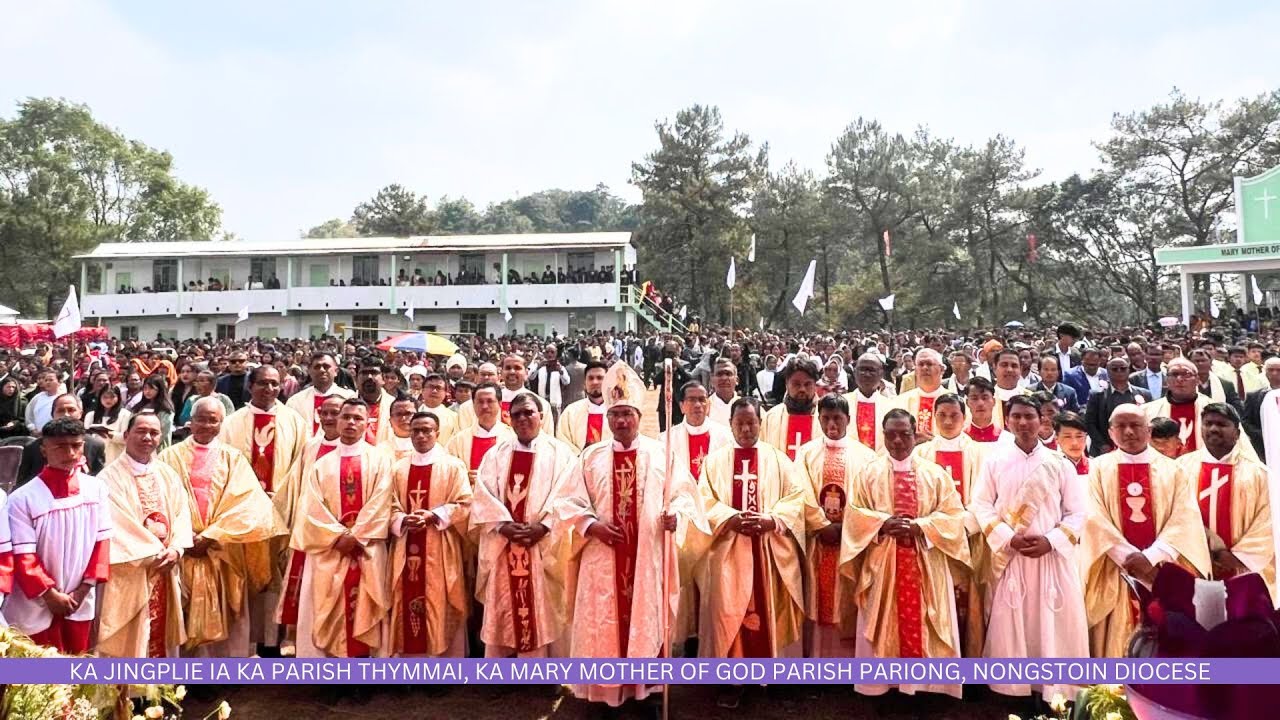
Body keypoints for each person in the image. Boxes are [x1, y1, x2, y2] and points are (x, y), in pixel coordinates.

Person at [556, 362, 704, 709]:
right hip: (602, 558)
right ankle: (604, 693)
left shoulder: (660, 455)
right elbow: (568, 501)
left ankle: (643, 692)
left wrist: (675, 516)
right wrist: (591, 526)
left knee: (645, 620)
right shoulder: (590, 458)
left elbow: (685, 494)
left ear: (638, 416)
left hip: (647, 556)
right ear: (607, 419)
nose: (621, 421)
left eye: (627, 414)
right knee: (603, 623)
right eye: (615, 415)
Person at [840, 408, 967, 697]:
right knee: (883, 617)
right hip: (883, 563)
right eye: (891, 435)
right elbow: (854, 514)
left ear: (915, 435)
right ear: (883, 435)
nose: (898, 441)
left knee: (925, 621)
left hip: (925, 562)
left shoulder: (934, 474)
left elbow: (954, 515)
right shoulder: (868, 474)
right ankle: (881, 684)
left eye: (904, 434)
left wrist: (921, 526)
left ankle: (926, 686)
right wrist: (883, 522)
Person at [970, 395, 1088, 699]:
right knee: (1014, 621)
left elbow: (1077, 512)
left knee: (1052, 624)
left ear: (1042, 420)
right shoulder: (995, 461)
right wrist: (1008, 537)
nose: (1023, 423)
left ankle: (1054, 689)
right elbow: (981, 505)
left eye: (1029, 416)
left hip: (1051, 558)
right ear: (1008, 421)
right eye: (1017, 417)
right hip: (1013, 556)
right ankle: (1014, 687)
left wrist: (1051, 540)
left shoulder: (1058, 463)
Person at [697, 397, 806, 710]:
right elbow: (703, 500)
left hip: (769, 551)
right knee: (728, 612)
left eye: (751, 422)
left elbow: (797, 499)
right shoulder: (715, 461)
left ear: (761, 423)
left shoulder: (779, 460)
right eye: (740, 423)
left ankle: (776, 677)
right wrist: (730, 517)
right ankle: (732, 681)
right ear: (730, 424)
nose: (746, 429)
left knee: (775, 612)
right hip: (731, 551)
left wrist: (772, 519)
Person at [1079, 403, 1209, 658]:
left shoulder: (1174, 469)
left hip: (1163, 566)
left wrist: (1151, 557)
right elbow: (1093, 517)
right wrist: (1129, 557)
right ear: (1110, 432)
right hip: (1115, 568)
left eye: (1135, 425)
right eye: (1121, 426)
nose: (1128, 432)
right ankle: (1112, 694)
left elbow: (1185, 518)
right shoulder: (1097, 468)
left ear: (1148, 431)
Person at [158, 397, 279, 657]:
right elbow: (160, 500)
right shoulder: (169, 457)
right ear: (190, 421)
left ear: (220, 424)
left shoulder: (233, 459)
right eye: (200, 418)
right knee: (181, 610)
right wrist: (185, 536)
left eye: (212, 420)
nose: (205, 425)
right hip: (182, 547)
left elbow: (247, 504)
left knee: (225, 609)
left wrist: (211, 535)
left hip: (221, 548)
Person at [469, 392, 577, 657]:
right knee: (504, 604)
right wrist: (503, 525)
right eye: (516, 414)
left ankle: (546, 666)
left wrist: (544, 526)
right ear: (509, 418)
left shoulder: (561, 453)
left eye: (529, 412)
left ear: (541, 416)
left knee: (547, 604)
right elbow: (483, 494)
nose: (523, 419)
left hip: (543, 543)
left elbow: (569, 494)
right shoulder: (495, 454)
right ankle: (503, 665)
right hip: (504, 544)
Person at [218, 363, 309, 657]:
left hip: (280, 513)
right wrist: (251, 498)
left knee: (275, 579)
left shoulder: (295, 422)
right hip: (242, 514)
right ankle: (243, 644)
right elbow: (225, 467)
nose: (269, 389)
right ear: (250, 386)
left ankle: (271, 644)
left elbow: (300, 468)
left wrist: (278, 499)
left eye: (274, 384)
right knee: (246, 577)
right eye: (262, 384)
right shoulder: (233, 423)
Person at [293, 398, 394, 658]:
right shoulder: (321, 465)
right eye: (346, 417)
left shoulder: (380, 460)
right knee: (330, 606)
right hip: (332, 549)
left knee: (366, 606)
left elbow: (382, 500)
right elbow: (311, 507)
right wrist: (338, 537)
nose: (351, 422)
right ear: (337, 421)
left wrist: (356, 536)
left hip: (366, 548)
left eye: (358, 418)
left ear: (367, 423)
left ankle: (364, 674)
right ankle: (332, 674)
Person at [4, 417, 112, 653]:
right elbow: (24, 556)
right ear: (44, 449)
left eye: (76, 445)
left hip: (78, 599)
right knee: (39, 678)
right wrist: (50, 595)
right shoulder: (23, 499)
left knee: (75, 670)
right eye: (60, 446)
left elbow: (101, 544)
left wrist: (83, 590)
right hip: (35, 602)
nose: (71, 453)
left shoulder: (97, 490)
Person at [97, 412, 194, 657]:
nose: (147, 437)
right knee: (130, 639)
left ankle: (158, 691)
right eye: (141, 431)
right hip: (131, 570)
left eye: (153, 432)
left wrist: (177, 548)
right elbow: (116, 524)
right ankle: (129, 693)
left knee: (162, 635)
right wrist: (154, 552)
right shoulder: (107, 478)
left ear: (161, 438)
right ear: (126, 435)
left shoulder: (167, 474)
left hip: (165, 566)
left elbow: (182, 515)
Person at [384, 411, 473, 657]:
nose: (421, 435)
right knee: (405, 599)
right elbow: (388, 505)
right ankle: (408, 668)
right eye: (416, 431)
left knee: (440, 599)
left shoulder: (453, 466)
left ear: (438, 433)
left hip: (439, 546)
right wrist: (402, 520)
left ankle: (441, 665)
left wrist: (434, 515)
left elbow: (465, 504)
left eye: (427, 430)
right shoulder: (398, 468)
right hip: (406, 544)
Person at [912, 392, 992, 657]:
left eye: (954, 415)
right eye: (942, 415)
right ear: (933, 418)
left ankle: (970, 662)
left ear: (964, 416)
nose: (947, 421)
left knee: (969, 602)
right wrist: (938, 530)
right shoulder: (921, 453)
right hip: (932, 542)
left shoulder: (980, 454)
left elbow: (987, 498)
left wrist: (962, 529)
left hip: (969, 540)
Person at [795, 395, 875, 658]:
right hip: (818, 541)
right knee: (817, 599)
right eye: (826, 418)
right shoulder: (805, 453)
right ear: (818, 420)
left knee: (848, 598)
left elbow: (868, 498)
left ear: (848, 420)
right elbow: (800, 492)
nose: (831, 424)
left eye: (837, 418)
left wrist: (847, 527)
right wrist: (820, 524)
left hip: (850, 543)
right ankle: (817, 662)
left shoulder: (865, 456)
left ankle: (848, 663)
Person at [1176, 403, 1274, 591]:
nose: (1213, 428)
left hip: (1241, 567)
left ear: (1237, 433)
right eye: (1208, 423)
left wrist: (1239, 556)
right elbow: (1172, 514)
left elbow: (1269, 521)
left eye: (1221, 424)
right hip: (1192, 561)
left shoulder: (1259, 474)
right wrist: (1201, 548)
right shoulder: (1180, 469)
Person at [1144, 357, 1231, 458]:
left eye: (1186, 374)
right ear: (1167, 380)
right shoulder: (1147, 412)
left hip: (1205, 470)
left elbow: (1240, 451)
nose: (1180, 379)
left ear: (1197, 380)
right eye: (1174, 374)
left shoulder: (1218, 413)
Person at [16, 394, 107, 483]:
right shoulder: (33, 447)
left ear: (80, 413)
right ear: (53, 414)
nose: (66, 415)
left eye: (71, 410)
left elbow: (99, 478)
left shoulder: (95, 445)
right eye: (61, 410)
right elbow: (23, 482)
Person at [445, 383, 515, 486]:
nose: (485, 406)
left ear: (500, 403)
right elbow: (446, 470)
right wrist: (464, 477)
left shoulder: (512, 437)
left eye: (490, 401)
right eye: (480, 402)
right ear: (473, 404)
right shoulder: (459, 440)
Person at [1084, 356, 1152, 456]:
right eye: (1114, 369)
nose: (1119, 371)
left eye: (1123, 368)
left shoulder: (1144, 394)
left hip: (1137, 449)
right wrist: (1102, 445)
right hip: (1105, 450)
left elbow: (1149, 421)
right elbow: (1090, 423)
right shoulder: (1097, 395)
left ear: (1129, 370)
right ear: (1107, 371)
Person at [760, 357, 821, 461]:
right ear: (787, 384)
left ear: (815, 385)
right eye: (796, 384)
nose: (802, 389)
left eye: (807, 384)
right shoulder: (771, 418)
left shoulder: (826, 417)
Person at [285, 352, 355, 435]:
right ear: (309, 371)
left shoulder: (350, 398)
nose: (322, 370)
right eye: (317, 367)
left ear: (336, 371)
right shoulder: (295, 401)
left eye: (326, 367)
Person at [555, 361, 611, 453]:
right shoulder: (571, 411)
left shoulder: (617, 412)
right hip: (577, 464)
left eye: (600, 378)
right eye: (590, 378)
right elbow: (562, 440)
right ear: (584, 383)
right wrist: (581, 458)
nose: (595, 382)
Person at [843, 353, 893, 453]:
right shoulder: (842, 404)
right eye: (862, 369)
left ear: (881, 374)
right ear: (855, 372)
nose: (866, 374)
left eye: (871, 370)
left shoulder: (891, 406)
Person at [896, 349, 948, 442]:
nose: (924, 368)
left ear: (942, 369)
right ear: (915, 370)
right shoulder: (899, 402)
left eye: (929, 364)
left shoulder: (954, 402)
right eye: (920, 364)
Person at [1242, 357, 1280, 462]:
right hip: (1262, 447)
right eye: (1271, 370)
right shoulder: (1254, 396)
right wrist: (1264, 435)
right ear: (1265, 372)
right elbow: (1246, 422)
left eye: (1278, 370)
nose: (1275, 373)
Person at [84, 384, 130, 464]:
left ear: (118, 398)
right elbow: (86, 436)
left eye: (112, 397)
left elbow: (126, 438)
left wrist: (108, 433)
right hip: (95, 456)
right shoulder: (91, 415)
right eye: (105, 397)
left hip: (115, 456)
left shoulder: (125, 415)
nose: (108, 400)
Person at [354, 362, 396, 445]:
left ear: (383, 379)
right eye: (364, 373)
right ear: (356, 378)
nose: (369, 377)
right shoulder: (345, 405)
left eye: (374, 373)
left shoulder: (394, 406)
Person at [530, 344, 570, 426]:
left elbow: (567, 382)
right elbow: (531, 377)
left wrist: (561, 371)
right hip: (542, 401)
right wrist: (538, 367)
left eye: (552, 352)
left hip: (555, 402)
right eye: (547, 352)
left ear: (556, 353)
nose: (550, 354)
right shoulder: (540, 366)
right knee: (542, 425)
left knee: (555, 426)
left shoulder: (560, 367)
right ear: (544, 353)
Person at [418, 373, 460, 446]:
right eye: (431, 387)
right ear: (422, 390)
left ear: (445, 393)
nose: (434, 391)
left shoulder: (454, 417)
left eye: (438, 388)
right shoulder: (412, 414)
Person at [24, 369, 61, 436]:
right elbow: (29, 415)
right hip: (37, 435)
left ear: (59, 382)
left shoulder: (62, 398)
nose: (48, 382)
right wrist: (33, 429)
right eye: (46, 380)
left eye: (51, 380)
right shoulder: (37, 397)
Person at [963, 377, 1001, 443]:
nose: (980, 403)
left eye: (985, 398)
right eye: (974, 398)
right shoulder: (962, 439)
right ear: (967, 402)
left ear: (994, 401)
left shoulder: (1005, 438)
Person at [381, 396, 419, 460]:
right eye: (398, 414)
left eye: (408, 413)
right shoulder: (380, 451)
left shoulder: (429, 449)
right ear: (390, 421)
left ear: (418, 418)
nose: (403, 418)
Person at [1055, 412, 1091, 478]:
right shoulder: (1052, 468)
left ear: (1085, 437)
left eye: (1079, 436)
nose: (1074, 442)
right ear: (1056, 439)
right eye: (1067, 437)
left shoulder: (1095, 467)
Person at [708, 358, 740, 426]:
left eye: (728, 374)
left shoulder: (750, 407)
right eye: (719, 374)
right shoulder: (702, 409)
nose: (724, 378)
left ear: (737, 380)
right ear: (712, 380)